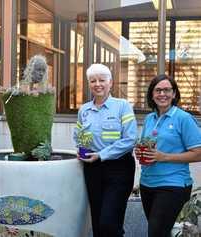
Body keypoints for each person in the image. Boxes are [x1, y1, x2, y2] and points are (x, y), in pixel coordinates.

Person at [74, 64, 137, 237]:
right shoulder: (84, 110)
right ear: (89, 84)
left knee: (109, 222)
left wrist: (101, 155)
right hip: (92, 169)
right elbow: (78, 135)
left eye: (102, 80)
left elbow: (130, 139)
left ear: (111, 83)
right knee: (97, 222)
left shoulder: (122, 106)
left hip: (119, 169)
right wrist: (80, 149)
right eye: (93, 80)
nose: (97, 84)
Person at [134, 74, 201, 237]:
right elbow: (149, 146)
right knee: (160, 231)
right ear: (152, 94)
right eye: (158, 90)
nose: (162, 94)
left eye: (166, 90)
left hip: (173, 184)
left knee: (156, 232)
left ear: (174, 94)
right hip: (148, 183)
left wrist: (163, 157)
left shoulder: (183, 118)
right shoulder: (150, 118)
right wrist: (140, 152)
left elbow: (198, 153)